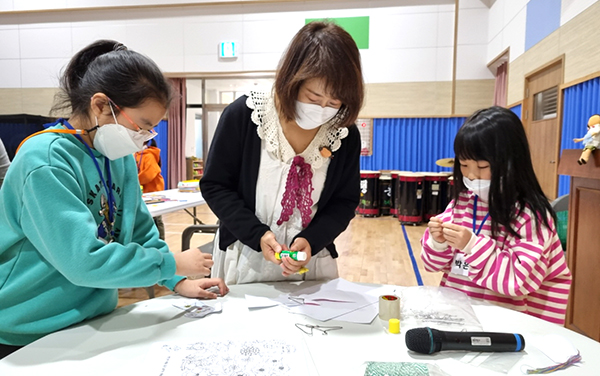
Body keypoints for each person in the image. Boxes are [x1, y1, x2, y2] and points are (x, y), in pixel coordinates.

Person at [0, 40, 228, 358]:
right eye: (143, 126)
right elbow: (82, 261)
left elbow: (139, 231)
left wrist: (175, 280)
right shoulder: (45, 161)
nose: (145, 138)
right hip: (29, 326)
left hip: (92, 318)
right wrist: (171, 262)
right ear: (101, 106)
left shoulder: (114, 154)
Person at [200, 21, 364, 285]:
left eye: (334, 102)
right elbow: (216, 185)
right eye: (313, 97)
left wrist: (312, 240)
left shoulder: (344, 134)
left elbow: (344, 201)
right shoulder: (245, 115)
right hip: (246, 258)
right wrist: (258, 235)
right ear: (292, 80)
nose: (323, 108)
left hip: (313, 262)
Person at [420, 106, 572, 325]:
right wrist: (437, 242)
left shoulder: (530, 215)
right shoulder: (462, 203)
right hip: (463, 317)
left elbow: (516, 282)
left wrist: (472, 245)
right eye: (463, 165)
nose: (471, 175)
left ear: (511, 162)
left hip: (514, 327)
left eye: (482, 166)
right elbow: (434, 265)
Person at [135, 138, 166, 239]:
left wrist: (134, 180)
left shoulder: (149, 155)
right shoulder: (136, 154)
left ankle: (161, 240)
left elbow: (149, 175)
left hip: (154, 191)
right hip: (143, 191)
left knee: (156, 218)